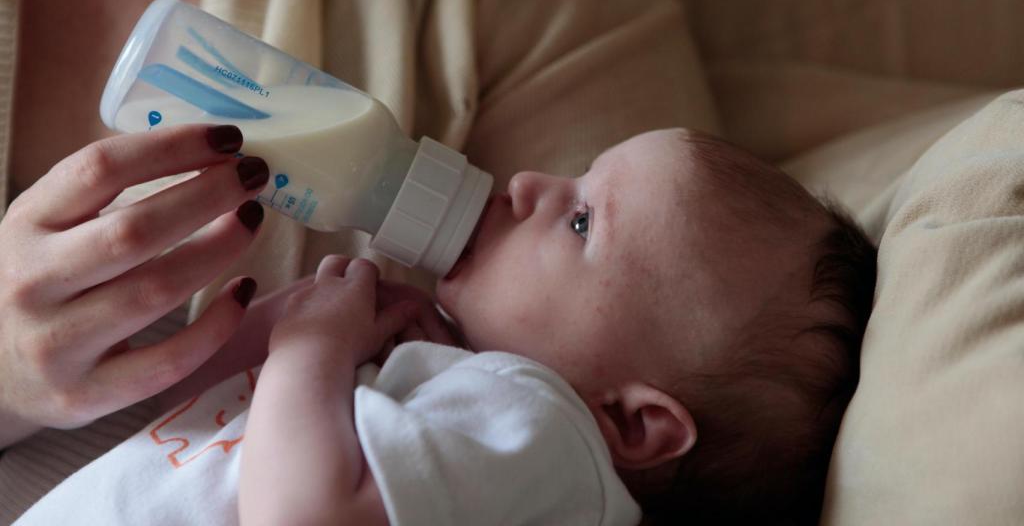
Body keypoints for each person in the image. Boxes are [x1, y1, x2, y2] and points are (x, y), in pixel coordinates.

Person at [12, 128, 878, 525]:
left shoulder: (544, 435)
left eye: (581, 222)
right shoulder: (464, 412)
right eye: (577, 178)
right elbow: (208, 435)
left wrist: (310, 351)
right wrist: (290, 337)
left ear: (630, 421)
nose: (533, 182)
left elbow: (299, 514)